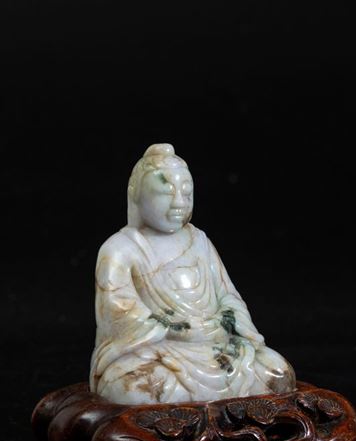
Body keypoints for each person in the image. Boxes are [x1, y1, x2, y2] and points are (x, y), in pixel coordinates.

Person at [89, 143, 296, 404]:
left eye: (186, 193)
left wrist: (221, 323)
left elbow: (228, 296)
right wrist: (178, 329)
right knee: (133, 388)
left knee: (278, 372)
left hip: (216, 348)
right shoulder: (120, 249)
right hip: (158, 351)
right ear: (136, 194)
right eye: (166, 193)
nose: (179, 202)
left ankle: (199, 404)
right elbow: (118, 311)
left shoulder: (199, 242)